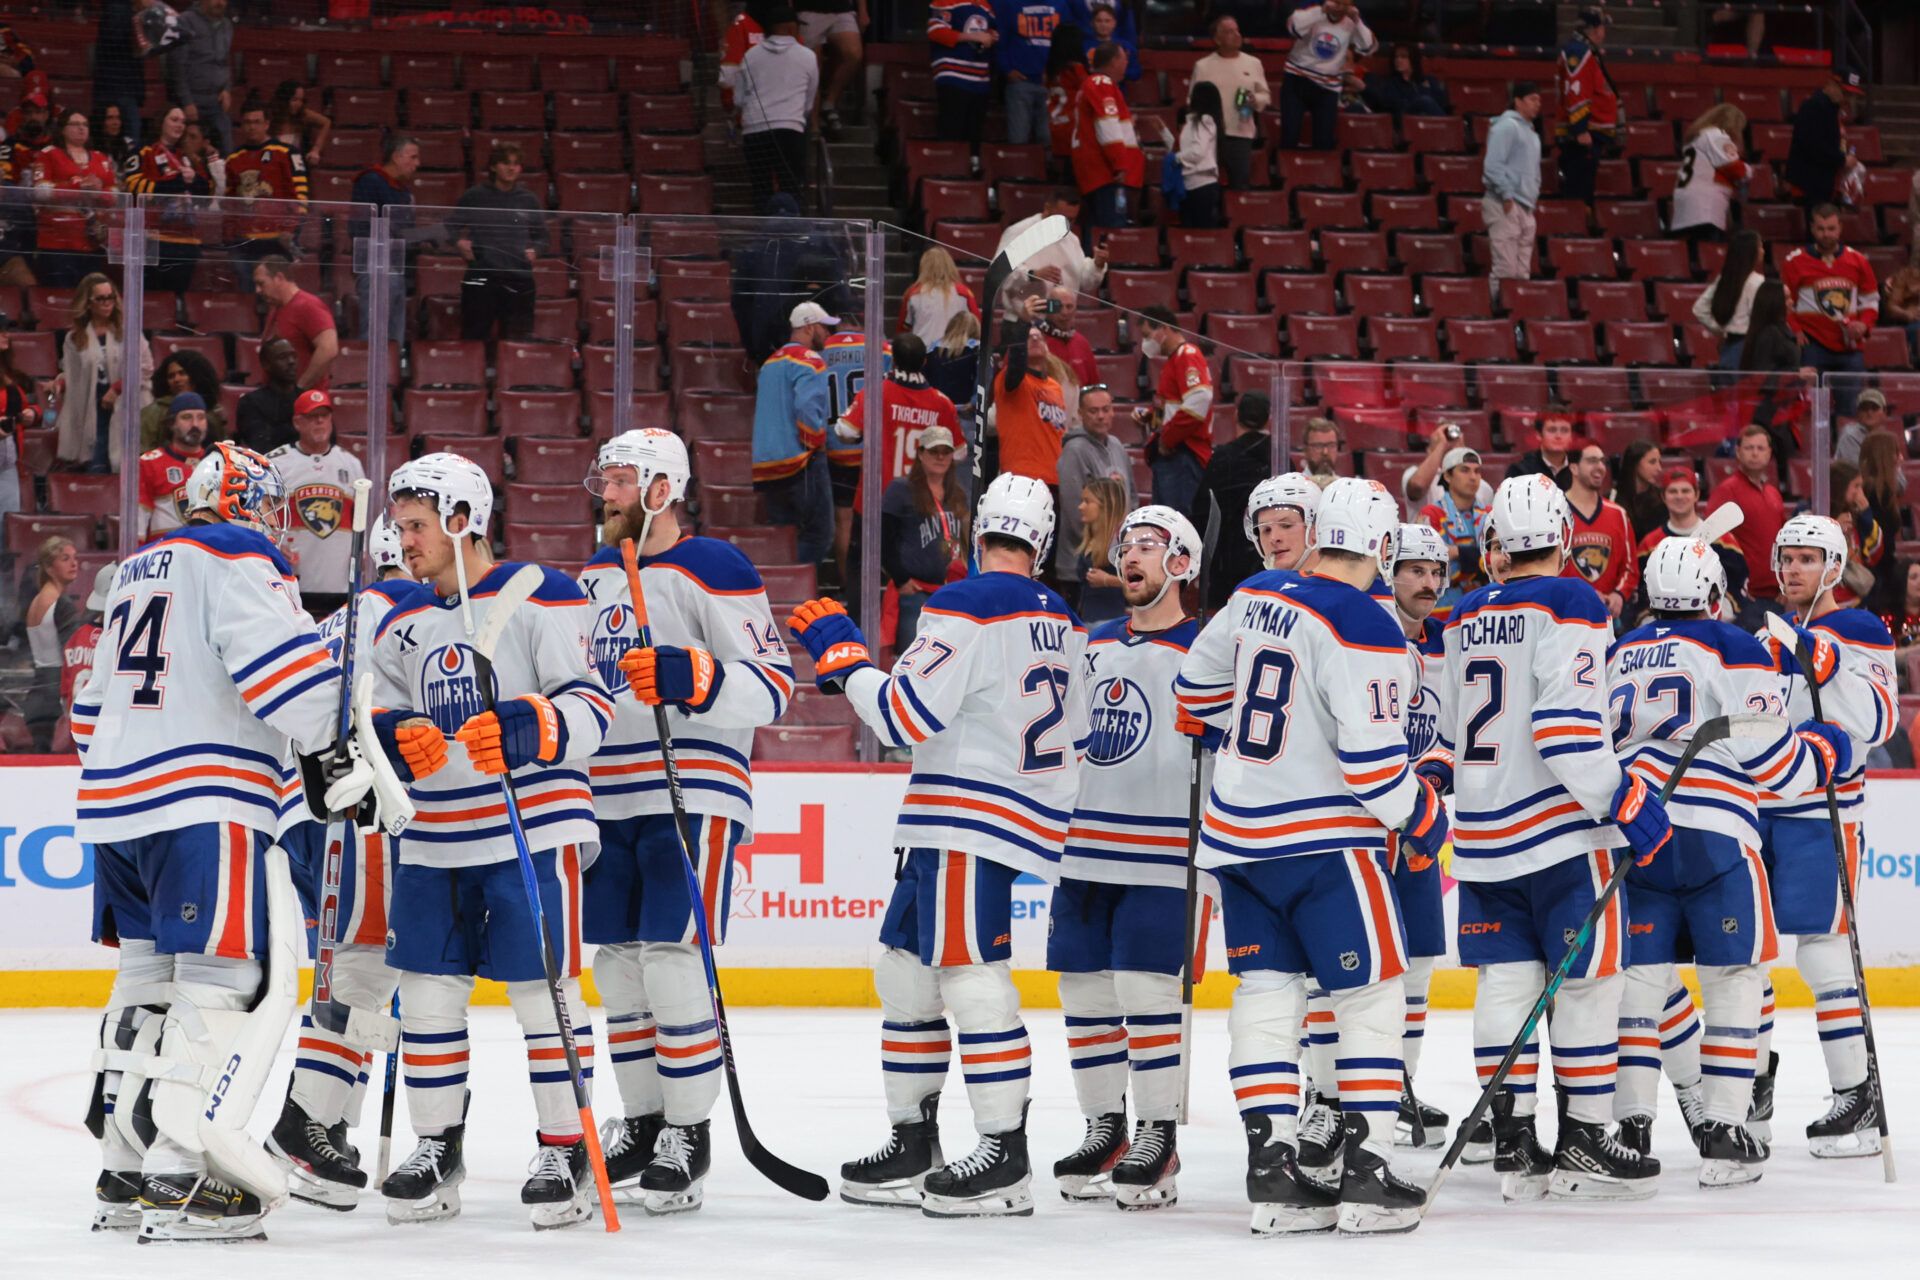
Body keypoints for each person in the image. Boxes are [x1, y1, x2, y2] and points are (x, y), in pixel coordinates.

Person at [797, 474, 1087, 1216]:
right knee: (906, 973)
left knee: (970, 976)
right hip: (985, 814)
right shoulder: (1064, 616)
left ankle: (1004, 1157)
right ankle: (913, 1141)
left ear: (974, 531)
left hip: (966, 814)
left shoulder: (966, 601)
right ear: (1043, 541)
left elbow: (902, 715)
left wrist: (844, 658)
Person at [73, 441, 340, 1240]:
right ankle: (183, 1171)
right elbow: (285, 676)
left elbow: (89, 709)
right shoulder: (238, 553)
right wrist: (343, 738)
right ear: (248, 501)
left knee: (145, 976)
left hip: (117, 804)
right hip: (204, 798)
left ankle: (125, 1165)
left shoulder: (134, 571)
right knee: (222, 976)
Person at [1175, 477, 1446, 1235]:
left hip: (1237, 836)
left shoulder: (1257, 590)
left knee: (1265, 995)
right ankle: (1365, 1171)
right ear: (1385, 548)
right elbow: (1373, 774)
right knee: (1371, 996)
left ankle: (1273, 1174)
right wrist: (1427, 818)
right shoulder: (1368, 624)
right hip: (1326, 843)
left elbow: (1192, 697)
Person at [357, 452, 614, 1229]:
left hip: (530, 823)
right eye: (398, 527)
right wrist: (395, 736)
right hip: (433, 831)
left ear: (465, 519)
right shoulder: (402, 621)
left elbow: (593, 707)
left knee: (544, 993)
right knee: (429, 997)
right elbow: (376, 721)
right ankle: (438, 1148)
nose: (403, 540)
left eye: (417, 525)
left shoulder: (543, 593)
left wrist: (533, 723)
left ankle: (566, 1146)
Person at [1440, 474, 1672, 1204]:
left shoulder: (1462, 612)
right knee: (1588, 984)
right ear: (1564, 539)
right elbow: (1567, 731)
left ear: (1496, 542)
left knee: (1504, 983)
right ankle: (1584, 1138)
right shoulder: (1571, 598)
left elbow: (1449, 736)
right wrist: (1625, 799)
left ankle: (1512, 1139)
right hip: (1562, 832)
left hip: (1481, 833)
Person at [577, 428, 793, 1212]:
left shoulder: (715, 566)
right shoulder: (595, 574)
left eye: (625, 482)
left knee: (672, 958)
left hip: (690, 787)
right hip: (609, 791)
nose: (609, 494)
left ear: (664, 489)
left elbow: (773, 684)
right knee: (620, 967)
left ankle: (688, 1130)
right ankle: (642, 1118)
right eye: (607, 480)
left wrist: (696, 676)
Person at [1610, 533, 1839, 1185]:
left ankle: (1631, 1127)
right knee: (1734, 976)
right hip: (1716, 833)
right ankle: (1723, 1130)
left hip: (1641, 831)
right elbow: (1773, 764)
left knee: (1642, 981)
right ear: (1714, 593)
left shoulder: (1620, 651)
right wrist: (1825, 751)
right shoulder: (1734, 643)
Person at [1050, 504, 1207, 1206]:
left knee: (1147, 996)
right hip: (1084, 848)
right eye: (1127, 546)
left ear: (1181, 562)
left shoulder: (1207, 651)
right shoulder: (1092, 645)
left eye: (1149, 545)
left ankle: (1157, 1135)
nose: (1132, 556)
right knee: (1083, 992)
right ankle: (1104, 1126)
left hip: (1163, 854)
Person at [262, 513, 411, 1210]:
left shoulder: (345, 617)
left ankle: (327, 1129)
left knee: (358, 964)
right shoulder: (401, 607)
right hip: (354, 814)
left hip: (307, 811)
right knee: (364, 965)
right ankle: (306, 1123)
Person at [1755, 514, 1897, 1159]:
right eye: (1786, 558)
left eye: (1807, 559)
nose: (1792, 570)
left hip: (1823, 814)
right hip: (1757, 807)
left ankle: (1857, 1095)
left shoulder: (1858, 627)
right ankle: (1747, 1088)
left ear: (1835, 567)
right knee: (1744, 956)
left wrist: (1829, 662)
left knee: (1824, 953)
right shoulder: (1776, 630)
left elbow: (1878, 721)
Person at [1387, 524, 1456, 1146]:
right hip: (1360, 825)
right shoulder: (1369, 635)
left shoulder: (1450, 646)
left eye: (1436, 572)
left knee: (1419, 962)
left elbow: (1455, 733)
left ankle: (1399, 1088)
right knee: (1343, 972)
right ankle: (1324, 1091)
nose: (1429, 584)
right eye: (1415, 570)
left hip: (1422, 825)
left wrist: (1437, 766)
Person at [268, 388, 366, 617]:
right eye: (312, 416)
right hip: (292, 582)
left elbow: (360, 525)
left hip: (340, 586)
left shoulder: (351, 464)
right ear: (297, 422)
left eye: (325, 415)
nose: (320, 421)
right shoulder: (277, 463)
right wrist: (274, 546)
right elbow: (262, 520)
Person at [753, 301, 835, 568]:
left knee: (783, 537)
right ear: (810, 327)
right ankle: (799, 592)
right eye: (824, 327)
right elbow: (806, 408)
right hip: (801, 463)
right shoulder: (810, 361)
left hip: (767, 466)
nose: (828, 334)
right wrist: (816, 442)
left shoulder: (769, 363)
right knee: (819, 534)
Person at [880, 424, 970, 650]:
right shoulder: (900, 489)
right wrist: (900, 579)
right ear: (920, 454)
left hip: (951, 593)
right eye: (933, 451)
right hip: (915, 592)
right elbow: (883, 540)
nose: (940, 457)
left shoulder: (958, 493)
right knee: (912, 656)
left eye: (946, 451)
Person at [52, 273, 152, 474]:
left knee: (128, 465)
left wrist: (117, 389)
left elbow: (145, 367)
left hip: (126, 402)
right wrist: (61, 382)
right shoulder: (74, 338)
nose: (107, 303)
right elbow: (72, 372)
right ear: (88, 303)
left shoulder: (129, 330)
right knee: (97, 462)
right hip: (92, 404)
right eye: (101, 299)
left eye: (110, 297)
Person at [452, 141, 548, 343]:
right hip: (481, 277)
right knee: (474, 337)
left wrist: (536, 250)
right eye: (505, 163)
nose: (511, 168)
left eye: (515, 163)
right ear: (494, 167)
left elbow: (543, 237)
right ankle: (474, 374)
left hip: (518, 279)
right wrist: (458, 242)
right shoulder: (474, 196)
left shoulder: (529, 200)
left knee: (517, 339)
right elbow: (450, 226)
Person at [1782, 204, 1877, 404]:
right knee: (1811, 408)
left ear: (1840, 227)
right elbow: (1784, 304)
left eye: (1831, 228)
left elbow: (1870, 300)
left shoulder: (1858, 261)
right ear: (1812, 228)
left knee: (1852, 410)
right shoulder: (1794, 262)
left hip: (1849, 347)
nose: (1826, 234)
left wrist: (1864, 325)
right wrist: (1795, 330)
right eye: (1821, 229)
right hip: (1812, 345)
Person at [124, 103, 213, 296]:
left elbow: (207, 191)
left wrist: (193, 180)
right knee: (153, 298)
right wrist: (179, 182)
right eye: (174, 120)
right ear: (160, 122)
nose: (180, 125)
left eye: (183, 121)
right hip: (154, 239)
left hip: (187, 241)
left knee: (177, 299)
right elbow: (135, 187)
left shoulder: (187, 156)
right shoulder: (142, 152)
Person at [737, 7, 818, 214]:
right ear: (790, 27)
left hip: (755, 133)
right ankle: (791, 236)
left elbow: (739, 99)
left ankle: (763, 235)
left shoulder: (750, 56)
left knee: (761, 188)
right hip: (790, 131)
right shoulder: (808, 56)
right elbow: (809, 101)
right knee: (791, 188)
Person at [1194, 390, 1270, 607]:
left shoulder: (1223, 457)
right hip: (1268, 562)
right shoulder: (1280, 458)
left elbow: (1201, 514)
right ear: (1269, 419)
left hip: (1227, 568)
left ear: (1236, 416)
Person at [1636, 465, 1749, 609]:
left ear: (1696, 495)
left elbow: (1737, 587)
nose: (1679, 496)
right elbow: (1643, 593)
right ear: (1663, 497)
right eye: (1673, 491)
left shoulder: (1724, 540)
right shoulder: (1650, 544)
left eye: (1685, 490)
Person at [1137, 304, 1212, 519]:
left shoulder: (1186, 355)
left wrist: (1167, 438)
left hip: (1181, 454)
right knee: (1165, 524)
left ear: (1163, 328)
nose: (1145, 342)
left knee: (1175, 523)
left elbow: (1200, 399)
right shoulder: (1174, 360)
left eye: (1147, 334)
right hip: (1175, 455)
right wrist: (1151, 416)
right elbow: (1174, 406)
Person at [1055, 382, 1135, 580]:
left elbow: (1131, 497)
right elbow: (1075, 511)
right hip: (1081, 566)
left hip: (1112, 558)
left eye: (1106, 409)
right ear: (1081, 413)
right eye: (1093, 411)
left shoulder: (1117, 445)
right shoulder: (1075, 450)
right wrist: (1107, 547)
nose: (1101, 416)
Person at [30, 108, 117, 287]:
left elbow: (115, 196)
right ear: (62, 128)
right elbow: (40, 191)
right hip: (56, 243)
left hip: (91, 242)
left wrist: (98, 192)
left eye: (85, 125)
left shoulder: (101, 158)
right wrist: (78, 187)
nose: (81, 128)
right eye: (75, 124)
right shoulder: (49, 154)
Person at [348, 134, 421, 346]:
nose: (417, 164)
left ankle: (392, 377)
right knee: (374, 334)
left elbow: (405, 231)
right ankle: (367, 377)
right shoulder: (370, 181)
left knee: (393, 336)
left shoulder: (403, 191)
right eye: (413, 157)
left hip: (396, 267)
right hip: (374, 267)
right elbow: (359, 227)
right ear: (397, 157)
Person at [223, 98, 308, 267]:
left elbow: (301, 195)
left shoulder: (287, 153)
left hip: (278, 238)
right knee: (246, 291)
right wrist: (229, 236)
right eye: (247, 122)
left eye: (257, 122)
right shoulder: (233, 159)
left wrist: (291, 230)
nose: (252, 127)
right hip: (244, 241)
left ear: (266, 124)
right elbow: (230, 202)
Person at [1280, 2, 1375, 152]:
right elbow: (1293, 27)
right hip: (1297, 79)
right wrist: (1320, 11)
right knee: (1289, 137)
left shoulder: (1352, 22)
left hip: (1328, 87)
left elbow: (1368, 48)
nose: (1338, 7)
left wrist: (1357, 20)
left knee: (1324, 143)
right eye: (1336, 2)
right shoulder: (1313, 12)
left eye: (1343, 4)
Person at [993, 307, 1070, 491]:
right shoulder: (1011, 379)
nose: (1035, 338)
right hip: (1022, 478)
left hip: (1055, 478)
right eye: (1029, 337)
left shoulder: (1055, 386)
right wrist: (1023, 323)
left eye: (1040, 337)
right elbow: (1016, 364)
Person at [1709, 424, 1788, 604]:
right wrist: (1733, 590)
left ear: (1769, 453)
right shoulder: (1727, 491)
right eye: (1749, 448)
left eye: (1760, 448)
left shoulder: (1773, 493)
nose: (1755, 453)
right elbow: (1713, 543)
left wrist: (1786, 584)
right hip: (1745, 596)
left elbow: (1784, 543)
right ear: (1738, 452)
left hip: (1776, 595)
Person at [1739, 281, 1809, 483]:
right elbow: (1761, 377)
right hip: (1770, 414)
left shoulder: (1782, 329)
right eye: (1786, 298)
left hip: (1783, 411)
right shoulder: (1769, 334)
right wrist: (1796, 374)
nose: (1791, 302)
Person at [1190, 14, 1270, 189]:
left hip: (1241, 133)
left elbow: (1265, 95)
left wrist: (1254, 99)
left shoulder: (1253, 63)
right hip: (1209, 136)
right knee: (1207, 186)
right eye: (1229, 32)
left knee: (1240, 184)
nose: (1236, 35)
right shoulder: (1203, 66)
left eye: (1237, 30)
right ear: (1217, 39)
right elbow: (1192, 102)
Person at [1483, 81, 1543, 307]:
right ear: (1518, 101)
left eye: (1538, 100)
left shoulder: (1532, 134)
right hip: (1505, 203)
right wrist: (1507, 195)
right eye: (1532, 99)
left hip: (1526, 206)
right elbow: (1493, 165)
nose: (1537, 104)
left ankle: (1517, 319)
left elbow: (1533, 171)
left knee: (1521, 273)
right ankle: (1498, 315)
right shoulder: (1506, 127)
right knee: (1505, 269)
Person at [1072, 43, 1144, 230]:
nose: (1127, 62)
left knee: (1098, 229)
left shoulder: (1093, 84)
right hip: (1105, 173)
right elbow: (1107, 125)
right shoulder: (1101, 84)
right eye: (1124, 58)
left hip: (1098, 172)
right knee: (1111, 232)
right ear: (1114, 61)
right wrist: (1119, 164)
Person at [1565, 441, 1640, 620]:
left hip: (1609, 616)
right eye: (1592, 461)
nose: (1600, 467)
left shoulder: (1618, 513)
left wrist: (1618, 594)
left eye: (1602, 461)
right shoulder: (1554, 511)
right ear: (1574, 468)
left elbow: (1630, 567)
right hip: (1566, 614)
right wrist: (1582, 594)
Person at [21, 534, 81, 751]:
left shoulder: (37, 601)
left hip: (37, 693)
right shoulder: (61, 604)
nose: (74, 563)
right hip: (55, 698)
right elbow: (72, 655)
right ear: (49, 567)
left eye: (75, 557)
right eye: (65, 558)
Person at [1555, 8, 1619, 202]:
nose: (1604, 32)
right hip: (1584, 134)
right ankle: (1574, 227)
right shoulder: (1579, 51)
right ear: (1595, 29)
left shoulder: (1584, 50)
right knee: (1579, 189)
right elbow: (1576, 91)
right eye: (1602, 27)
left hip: (1589, 132)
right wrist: (1580, 129)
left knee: (1584, 186)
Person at [1417, 446, 1491, 610]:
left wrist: (1457, 553)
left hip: (1484, 606)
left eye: (1477, 471)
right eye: (1465, 470)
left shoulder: (1490, 514)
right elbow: (1430, 567)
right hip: (1442, 608)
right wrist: (1479, 558)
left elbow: (1502, 562)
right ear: (1448, 476)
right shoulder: (1431, 514)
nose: (1473, 477)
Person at [254, 255, 339, 392]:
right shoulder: (276, 307)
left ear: (279, 278)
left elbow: (328, 349)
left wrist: (300, 388)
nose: (257, 290)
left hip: (304, 404)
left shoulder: (307, 305)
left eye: (261, 283)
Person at [135, 390, 208, 541]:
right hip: (165, 558)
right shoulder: (149, 463)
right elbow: (138, 524)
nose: (195, 424)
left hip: (208, 557)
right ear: (171, 423)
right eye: (186, 417)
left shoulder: (221, 463)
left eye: (200, 418)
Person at [1785, 72, 1863, 214]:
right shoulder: (1815, 106)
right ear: (1831, 84)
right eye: (1844, 92)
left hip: (1824, 181)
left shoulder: (1831, 108)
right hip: (1811, 182)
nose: (1847, 98)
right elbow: (1811, 145)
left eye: (1850, 94)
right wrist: (1842, 159)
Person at [996, 0, 1069, 150]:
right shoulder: (1010, 4)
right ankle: (1018, 172)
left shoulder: (1062, 4)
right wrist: (1007, 70)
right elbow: (1001, 41)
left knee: (1049, 137)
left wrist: (1057, 72)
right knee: (1018, 138)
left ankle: (1050, 172)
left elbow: (1067, 41)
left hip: (1051, 85)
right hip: (1020, 83)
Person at [1672, 104, 1751, 241]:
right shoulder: (1714, 135)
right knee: (1708, 253)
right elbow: (1735, 168)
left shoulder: (1696, 139)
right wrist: (1749, 170)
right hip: (1704, 207)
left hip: (1685, 204)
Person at [1692, 227, 1765, 370]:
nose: (1763, 251)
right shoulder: (1757, 281)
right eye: (1760, 247)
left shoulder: (1725, 278)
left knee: (1727, 391)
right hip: (1749, 350)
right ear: (1751, 252)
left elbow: (1699, 308)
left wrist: (1721, 331)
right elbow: (1759, 321)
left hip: (1729, 348)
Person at [928, 1, 996, 152]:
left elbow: (990, 29)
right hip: (953, 74)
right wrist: (971, 37)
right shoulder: (945, 1)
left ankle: (972, 167)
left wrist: (991, 36)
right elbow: (935, 31)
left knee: (974, 134)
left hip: (980, 78)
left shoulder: (986, 5)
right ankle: (950, 168)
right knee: (952, 130)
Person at [166, 0, 232, 151]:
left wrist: (227, 89)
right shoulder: (185, 21)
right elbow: (176, 66)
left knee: (226, 149)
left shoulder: (227, 25)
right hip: (192, 100)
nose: (220, 3)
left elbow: (225, 61)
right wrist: (187, 102)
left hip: (217, 102)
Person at [797, 0, 865, 140]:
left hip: (842, 10)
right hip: (809, 10)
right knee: (812, 66)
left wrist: (863, 11)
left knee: (854, 54)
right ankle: (813, 124)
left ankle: (829, 103)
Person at [1827, 458, 1886, 610]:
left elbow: (1875, 554)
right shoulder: (1815, 511)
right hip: (1830, 603)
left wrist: (1866, 513)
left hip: (1857, 603)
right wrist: (1833, 527)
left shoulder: (1857, 518)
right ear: (1841, 487)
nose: (1860, 493)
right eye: (1856, 486)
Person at [139, 348, 223, 451]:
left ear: (197, 375)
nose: (176, 379)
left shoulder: (212, 412)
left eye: (182, 373)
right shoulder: (152, 413)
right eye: (171, 376)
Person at [61, 559, 114, 722]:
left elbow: (64, 692)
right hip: (107, 726)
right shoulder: (119, 638)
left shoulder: (78, 636)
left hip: (77, 725)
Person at [1401, 424, 1495, 515]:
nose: (1448, 444)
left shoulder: (1482, 486)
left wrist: (1460, 453)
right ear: (1429, 449)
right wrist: (1441, 445)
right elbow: (1417, 487)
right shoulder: (1412, 473)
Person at [1070, 475, 1128, 621]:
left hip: (1109, 623)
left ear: (1106, 505)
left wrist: (1108, 580)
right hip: (1086, 619)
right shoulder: (1090, 539)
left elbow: (1145, 582)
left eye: (1087, 502)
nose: (1080, 506)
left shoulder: (1122, 542)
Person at [900, 246, 980, 347]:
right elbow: (977, 327)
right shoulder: (964, 293)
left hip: (921, 356)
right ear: (950, 265)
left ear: (923, 266)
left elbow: (902, 334)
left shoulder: (913, 293)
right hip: (954, 355)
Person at [1169, 81, 1224, 229]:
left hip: (1202, 186)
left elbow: (1197, 151)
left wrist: (1177, 158)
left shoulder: (1204, 121)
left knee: (1201, 231)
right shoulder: (1192, 122)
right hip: (1190, 185)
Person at [234, 336, 300, 454]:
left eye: (293, 356)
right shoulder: (251, 403)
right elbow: (260, 445)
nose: (291, 361)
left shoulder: (306, 398)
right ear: (266, 364)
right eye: (283, 357)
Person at [1038, 285, 1096, 394]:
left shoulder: (1082, 343)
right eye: (1059, 307)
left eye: (1069, 307)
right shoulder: (1034, 341)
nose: (1065, 312)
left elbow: (1093, 387)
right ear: (1048, 308)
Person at [926, 310, 981, 423]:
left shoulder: (932, 348)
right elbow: (983, 379)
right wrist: (974, 402)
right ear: (975, 328)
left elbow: (925, 378)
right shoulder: (978, 349)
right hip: (965, 412)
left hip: (936, 410)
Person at [1364, 44, 1448, 118]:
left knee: (1427, 101)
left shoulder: (1428, 80)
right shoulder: (1390, 83)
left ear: (1413, 60)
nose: (1398, 60)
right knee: (1425, 101)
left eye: (1403, 57)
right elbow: (1395, 106)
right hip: (1405, 119)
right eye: (1396, 57)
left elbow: (1441, 102)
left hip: (1428, 119)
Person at [1045, 22, 1090, 160]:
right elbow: (1090, 93)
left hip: (1051, 127)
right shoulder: (1077, 70)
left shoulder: (1050, 71)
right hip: (1071, 130)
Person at [1505, 408, 1576, 490]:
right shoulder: (1520, 471)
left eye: (1564, 430)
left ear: (1571, 437)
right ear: (1538, 435)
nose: (1558, 436)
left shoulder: (1580, 469)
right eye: (1552, 430)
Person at [265, 79, 330, 169]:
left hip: (295, 166)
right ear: (284, 99)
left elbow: (326, 122)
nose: (299, 104)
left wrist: (316, 149)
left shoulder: (303, 114)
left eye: (301, 100)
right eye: (294, 100)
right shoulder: (269, 115)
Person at [1616, 439, 1668, 541]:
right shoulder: (1613, 498)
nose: (1659, 468)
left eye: (1659, 462)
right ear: (1635, 463)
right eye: (1652, 462)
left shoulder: (1661, 499)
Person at [1835, 387, 1893, 466]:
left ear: (1884, 411)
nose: (1869, 412)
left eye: (1874, 408)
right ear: (1858, 412)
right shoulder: (1850, 436)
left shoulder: (1884, 438)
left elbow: (1897, 474)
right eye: (1864, 408)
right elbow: (1857, 474)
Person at [1880, 263, 1920, 364]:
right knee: (1915, 329)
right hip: (1912, 322)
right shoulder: (1906, 276)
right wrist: (1907, 314)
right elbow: (1892, 307)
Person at [90, 103, 135, 173]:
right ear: (100, 121)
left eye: (118, 118)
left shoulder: (129, 144)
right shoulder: (89, 146)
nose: (115, 123)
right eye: (110, 118)